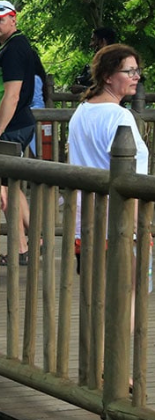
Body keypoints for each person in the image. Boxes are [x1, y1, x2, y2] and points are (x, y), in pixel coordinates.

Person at [68, 44, 149, 280]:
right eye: (129, 71)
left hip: (85, 217)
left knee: (95, 289)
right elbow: (129, 175)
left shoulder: (82, 110)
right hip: (118, 219)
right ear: (108, 76)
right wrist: (137, 224)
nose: (136, 77)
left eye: (137, 71)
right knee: (129, 289)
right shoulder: (119, 116)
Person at [0, 0, 38, 264]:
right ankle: (35, 240)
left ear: (13, 19)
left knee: (3, 189)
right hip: (19, 123)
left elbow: (12, 95)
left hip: (12, 126)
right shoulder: (15, 45)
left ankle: (20, 248)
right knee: (12, 186)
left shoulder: (15, 49)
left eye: (0, 19)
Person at [72, 27, 117, 93]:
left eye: (93, 40)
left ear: (103, 42)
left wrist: (83, 89)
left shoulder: (113, 61)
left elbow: (108, 89)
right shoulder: (103, 60)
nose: (91, 44)